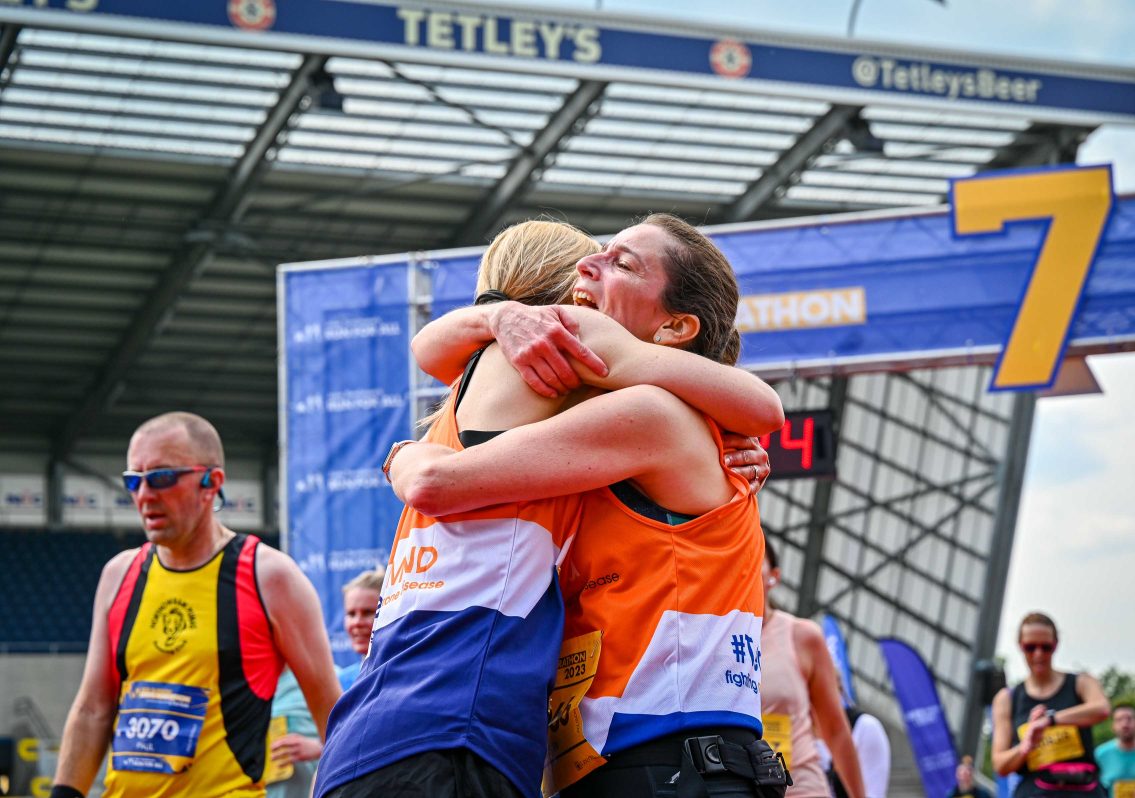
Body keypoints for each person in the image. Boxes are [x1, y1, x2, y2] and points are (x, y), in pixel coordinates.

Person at [314, 218, 783, 798]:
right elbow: (436, 353)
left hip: (668, 759)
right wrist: (498, 317)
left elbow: (435, 473)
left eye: (623, 263)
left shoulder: (650, 414)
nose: (590, 268)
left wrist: (402, 455)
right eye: (593, 257)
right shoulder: (581, 435)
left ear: (675, 328)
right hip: (592, 760)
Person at [50, 411, 342, 798]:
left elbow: (331, 713)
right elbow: (92, 709)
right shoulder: (118, 575)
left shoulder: (269, 577)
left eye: (162, 478)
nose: (144, 495)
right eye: (134, 481)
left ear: (212, 483)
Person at [759, 538, 864, 798]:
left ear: (774, 576)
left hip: (801, 788)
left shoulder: (802, 636)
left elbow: (836, 731)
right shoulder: (709, 636)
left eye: (754, 554)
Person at [266, 568, 382, 798]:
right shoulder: (338, 680)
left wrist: (318, 748)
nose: (357, 622)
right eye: (351, 614)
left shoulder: (399, 679)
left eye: (368, 612)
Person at [991, 612, 1110, 798]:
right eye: (1030, 647)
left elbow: (1102, 709)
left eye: (1046, 647)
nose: (1038, 654)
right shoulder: (1007, 698)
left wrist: (1050, 721)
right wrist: (1026, 745)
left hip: (1082, 789)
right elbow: (1000, 764)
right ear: (1020, 646)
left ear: (1055, 645)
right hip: (1035, 791)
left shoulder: (1081, 683)